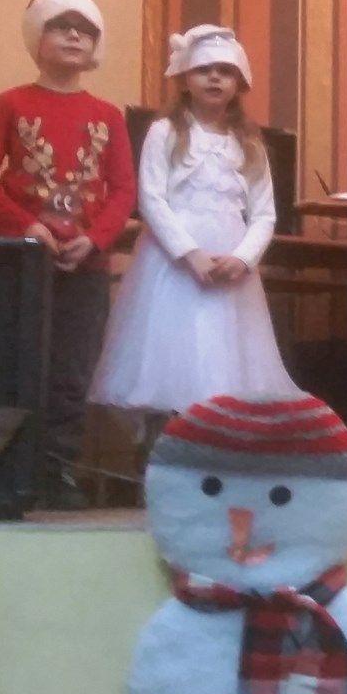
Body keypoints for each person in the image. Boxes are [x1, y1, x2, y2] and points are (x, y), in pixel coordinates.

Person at [0, 0, 137, 508]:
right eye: (61, 27)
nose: (73, 37)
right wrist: (27, 227)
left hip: (85, 264)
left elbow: (123, 190)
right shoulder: (11, 104)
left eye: (84, 31)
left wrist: (95, 238)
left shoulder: (108, 115)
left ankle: (57, 469)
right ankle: (2, 469)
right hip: (19, 263)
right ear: (36, 39)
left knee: (71, 369)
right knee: (11, 361)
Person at [90, 26, 298, 419]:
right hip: (173, 264)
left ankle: (215, 439)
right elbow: (151, 199)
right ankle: (165, 442)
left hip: (231, 266)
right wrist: (191, 254)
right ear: (185, 79)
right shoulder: (165, 131)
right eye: (204, 69)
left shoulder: (250, 142)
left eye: (225, 70)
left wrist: (243, 258)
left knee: (224, 352)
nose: (215, 77)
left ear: (239, 83)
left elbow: (264, 213)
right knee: (175, 350)